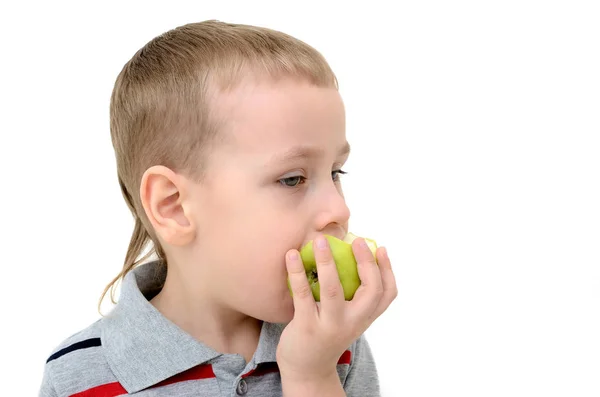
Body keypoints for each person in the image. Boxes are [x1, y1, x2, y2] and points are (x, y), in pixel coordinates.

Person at [38, 19, 397, 397]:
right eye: (292, 179)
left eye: (335, 172)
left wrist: (312, 376)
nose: (338, 209)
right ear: (174, 206)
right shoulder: (77, 377)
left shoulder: (334, 347)